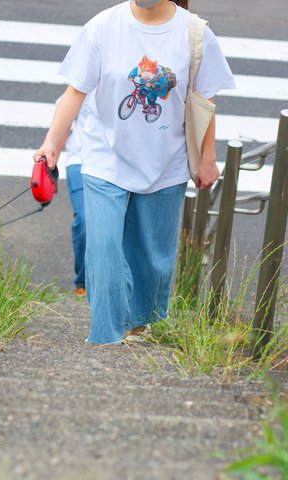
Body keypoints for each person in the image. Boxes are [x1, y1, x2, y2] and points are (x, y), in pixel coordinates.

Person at [34, 0, 235, 344]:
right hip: (104, 157)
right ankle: (106, 339)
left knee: (152, 259)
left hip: (165, 161)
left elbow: (204, 101)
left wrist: (207, 158)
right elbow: (75, 91)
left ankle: (136, 323)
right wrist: (51, 145)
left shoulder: (195, 34)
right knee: (103, 248)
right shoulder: (103, 26)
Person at [61, 94, 95, 296]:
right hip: (80, 160)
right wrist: (49, 166)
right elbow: (64, 121)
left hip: (119, 164)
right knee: (84, 220)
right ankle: (83, 281)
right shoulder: (84, 78)